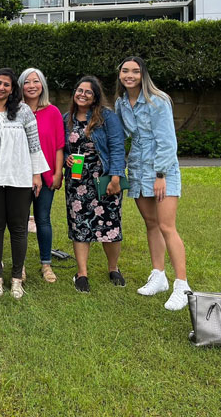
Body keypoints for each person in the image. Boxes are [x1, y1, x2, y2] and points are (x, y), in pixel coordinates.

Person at [114, 56, 190, 310]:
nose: (130, 75)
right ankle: (158, 276)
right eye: (125, 71)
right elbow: (120, 134)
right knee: (151, 224)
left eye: (135, 71)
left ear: (143, 75)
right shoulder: (121, 103)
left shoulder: (157, 100)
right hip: (137, 169)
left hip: (161, 171)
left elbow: (167, 141)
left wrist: (160, 175)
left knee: (167, 226)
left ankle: (182, 286)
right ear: (120, 75)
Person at [0, 68, 49, 299]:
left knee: (18, 228)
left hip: (19, 177)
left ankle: (16, 279)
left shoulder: (23, 111)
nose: (2, 88)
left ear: (13, 89)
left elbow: (34, 144)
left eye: (7, 84)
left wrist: (36, 174)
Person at [63, 76, 126, 294]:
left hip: (104, 178)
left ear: (96, 96)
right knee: (79, 224)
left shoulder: (107, 117)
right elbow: (62, 148)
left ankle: (113, 268)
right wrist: (67, 159)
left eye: (88, 92)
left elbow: (117, 146)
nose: (82, 95)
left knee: (110, 224)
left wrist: (116, 177)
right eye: (79, 90)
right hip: (77, 181)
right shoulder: (67, 118)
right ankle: (82, 273)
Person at [18, 67, 64, 283]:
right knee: (20, 222)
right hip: (19, 174)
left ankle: (46, 264)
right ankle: (20, 265)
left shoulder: (53, 112)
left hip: (46, 175)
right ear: (21, 86)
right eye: (27, 82)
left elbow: (59, 145)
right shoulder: (15, 111)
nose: (31, 86)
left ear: (42, 85)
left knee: (43, 219)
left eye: (35, 81)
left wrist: (58, 173)